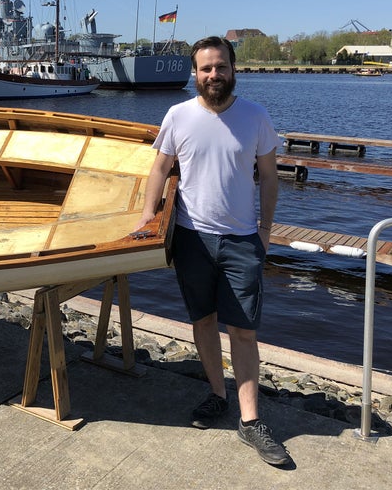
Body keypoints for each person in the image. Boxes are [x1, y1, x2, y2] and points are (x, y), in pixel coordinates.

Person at [135, 36, 288, 466]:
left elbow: (270, 179)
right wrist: (148, 216)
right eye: (205, 69)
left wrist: (264, 230)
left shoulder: (255, 117)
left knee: (243, 330)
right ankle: (217, 394)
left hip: (242, 241)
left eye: (220, 67)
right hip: (191, 238)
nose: (213, 75)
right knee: (202, 320)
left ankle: (251, 420)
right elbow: (160, 167)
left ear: (233, 69)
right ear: (195, 73)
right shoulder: (178, 115)